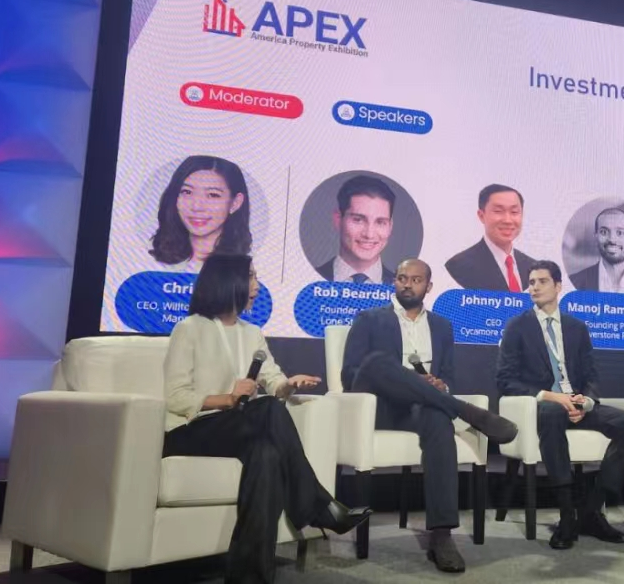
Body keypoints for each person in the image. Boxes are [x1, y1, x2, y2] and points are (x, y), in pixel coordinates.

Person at [163, 253, 370, 583]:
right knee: (269, 409)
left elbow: (272, 379)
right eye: (251, 277)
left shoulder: (252, 333)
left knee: (267, 455)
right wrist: (227, 399)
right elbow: (175, 397)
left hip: (237, 429)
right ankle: (317, 505)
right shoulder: (189, 329)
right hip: (189, 430)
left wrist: (288, 385)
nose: (257, 286)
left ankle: (250, 577)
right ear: (228, 281)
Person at [342, 259, 519, 573]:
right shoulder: (369, 319)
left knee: (438, 419)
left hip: (419, 409)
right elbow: (351, 374)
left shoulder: (442, 326)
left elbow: (448, 374)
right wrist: (405, 378)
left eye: (416, 279)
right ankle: (465, 411)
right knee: (378, 361)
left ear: (429, 286)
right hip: (381, 407)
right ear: (394, 281)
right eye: (401, 278)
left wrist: (441, 386)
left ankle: (441, 535)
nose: (407, 284)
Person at [496, 260, 624, 550]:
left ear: (558, 286)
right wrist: (551, 397)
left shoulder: (577, 328)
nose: (534, 287)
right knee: (552, 412)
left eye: (542, 281)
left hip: (576, 404)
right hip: (544, 406)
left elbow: (591, 375)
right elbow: (505, 380)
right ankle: (566, 514)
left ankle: (592, 509)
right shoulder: (517, 327)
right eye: (531, 282)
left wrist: (586, 401)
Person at [150, 155, 252, 271]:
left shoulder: (245, 268)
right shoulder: (152, 264)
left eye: (213, 195)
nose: (197, 207)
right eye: (187, 192)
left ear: (235, 203)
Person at [445, 184, 536, 291]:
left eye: (514, 212)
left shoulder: (534, 268)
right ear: (481, 216)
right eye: (498, 211)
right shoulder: (459, 265)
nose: (508, 220)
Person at [317, 175, 396, 284]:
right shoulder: (305, 277)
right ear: (338, 219)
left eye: (380, 222)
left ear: (390, 226)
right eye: (358, 220)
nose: (369, 234)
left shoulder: (404, 288)